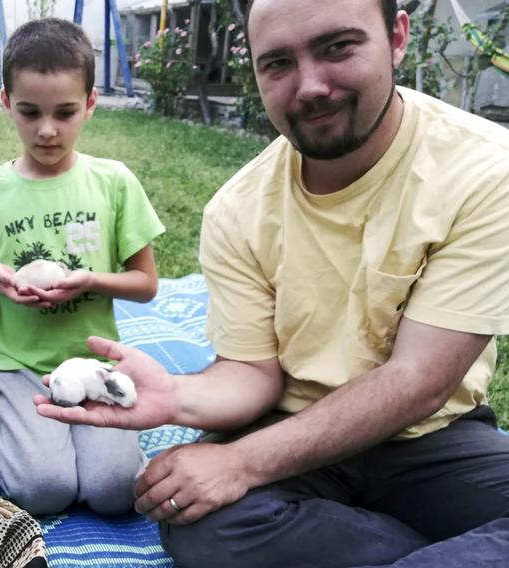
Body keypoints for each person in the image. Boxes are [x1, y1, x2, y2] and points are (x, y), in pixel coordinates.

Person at [36, 0, 509, 565]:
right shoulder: (237, 210)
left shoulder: (483, 170)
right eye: (278, 63)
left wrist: (240, 463)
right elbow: (253, 372)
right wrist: (176, 396)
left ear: (397, 37)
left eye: (338, 47)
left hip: (431, 436)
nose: (310, 86)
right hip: (291, 425)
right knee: (194, 519)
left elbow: (420, 380)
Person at [0, 18, 165, 516]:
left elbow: (145, 285)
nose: (47, 129)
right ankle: (6, 419)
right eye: (29, 111)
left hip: (94, 363)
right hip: (21, 367)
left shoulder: (114, 183)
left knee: (116, 493)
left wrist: (91, 279)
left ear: (92, 103)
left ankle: (69, 439)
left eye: (65, 112)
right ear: (5, 102)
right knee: (43, 492)